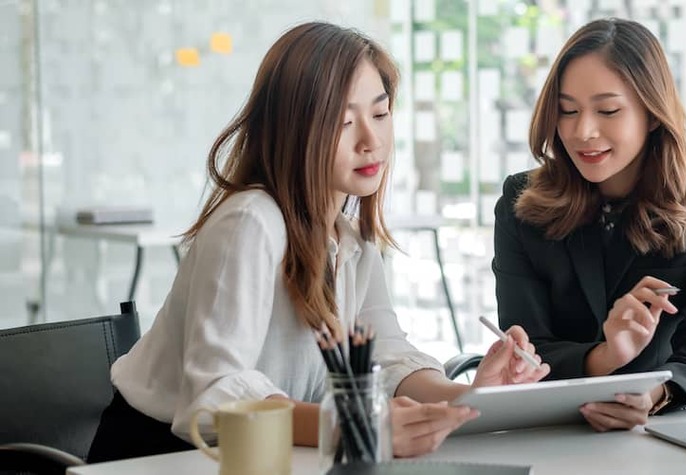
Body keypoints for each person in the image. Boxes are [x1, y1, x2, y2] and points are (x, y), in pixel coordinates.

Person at [87, 22, 549, 463]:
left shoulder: (348, 233)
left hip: (274, 453)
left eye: (381, 113)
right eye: (343, 122)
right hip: (160, 457)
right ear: (294, 128)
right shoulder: (250, 222)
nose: (372, 140)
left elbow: (386, 354)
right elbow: (216, 397)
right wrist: (355, 426)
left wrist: (467, 399)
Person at [493, 18, 686, 431]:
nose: (583, 131)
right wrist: (607, 358)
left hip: (659, 432)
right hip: (548, 430)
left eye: (608, 110)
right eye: (567, 110)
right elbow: (527, 344)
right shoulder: (520, 203)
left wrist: (653, 395)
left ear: (652, 113)